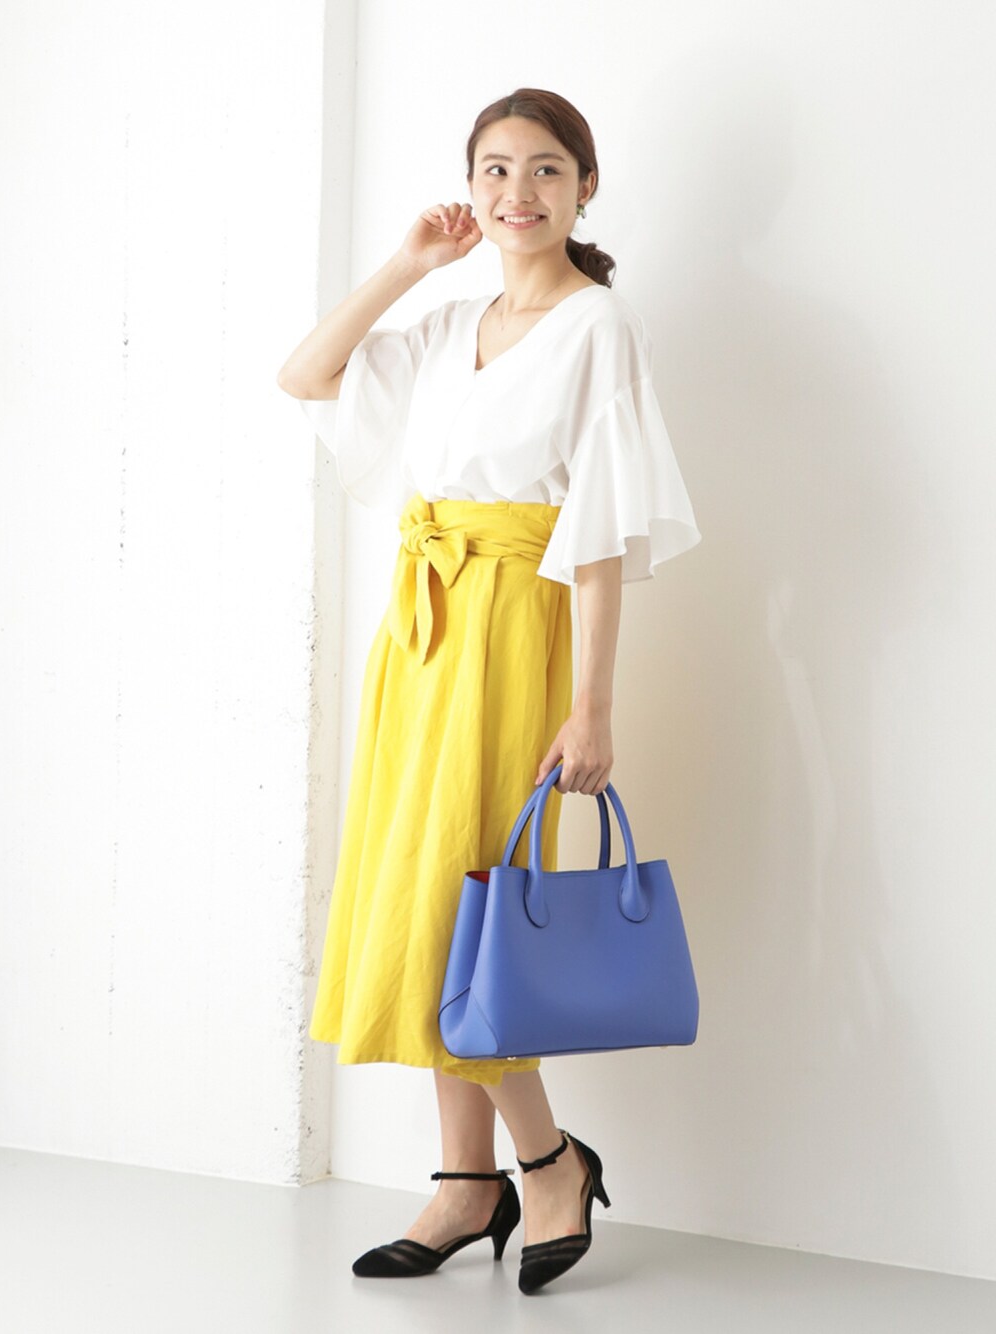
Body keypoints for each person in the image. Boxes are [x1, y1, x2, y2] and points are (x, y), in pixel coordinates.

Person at [276, 87, 702, 1295]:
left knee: (464, 895)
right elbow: (305, 374)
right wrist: (408, 264)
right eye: (496, 169)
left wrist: (593, 705)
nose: (519, 191)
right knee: (422, 888)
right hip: (421, 629)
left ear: (585, 188)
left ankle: (548, 1160)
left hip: (516, 625)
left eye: (547, 168)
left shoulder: (597, 323)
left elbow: (600, 529)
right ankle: (467, 1181)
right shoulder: (450, 320)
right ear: (470, 187)